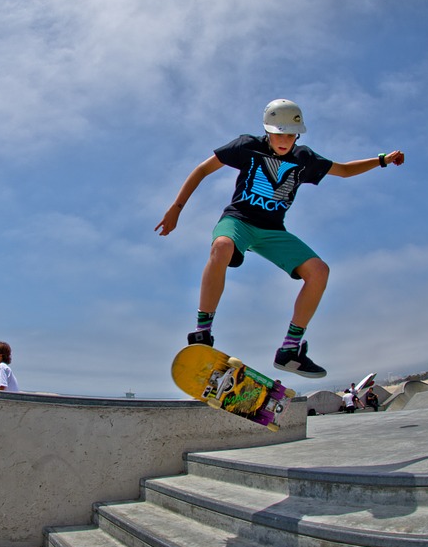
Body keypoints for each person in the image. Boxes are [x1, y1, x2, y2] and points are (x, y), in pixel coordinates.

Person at [155, 98, 405, 378]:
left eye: (290, 135)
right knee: (222, 246)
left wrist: (382, 160)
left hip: (273, 230)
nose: (284, 140)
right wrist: (176, 209)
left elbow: (344, 170)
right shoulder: (246, 146)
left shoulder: (304, 159)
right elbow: (202, 169)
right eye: (278, 134)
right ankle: (203, 332)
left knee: (319, 271)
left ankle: (290, 350)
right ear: (267, 131)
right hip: (238, 220)